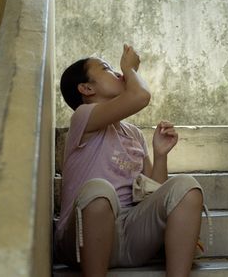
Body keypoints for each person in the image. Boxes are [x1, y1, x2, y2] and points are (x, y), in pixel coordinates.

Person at [55, 44, 204, 277]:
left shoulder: (133, 134)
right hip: (83, 240)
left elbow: (154, 194)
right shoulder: (83, 117)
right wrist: (130, 69)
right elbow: (140, 96)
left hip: (131, 234)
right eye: (106, 68)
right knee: (99, 190)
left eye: (116, 69)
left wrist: (160, 154)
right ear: (86, 88)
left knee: (187, 186)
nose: (117, 72)